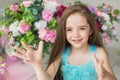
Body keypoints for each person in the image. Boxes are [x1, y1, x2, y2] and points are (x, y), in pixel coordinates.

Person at [14, 4, 117, 80]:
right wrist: (38, 66)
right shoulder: (62, 53)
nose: (76, 35)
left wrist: (105, 74)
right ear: (64, 31)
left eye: (81, 28)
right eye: (69, 29)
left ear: (90, 30)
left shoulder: (99, 53)